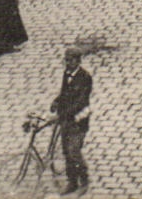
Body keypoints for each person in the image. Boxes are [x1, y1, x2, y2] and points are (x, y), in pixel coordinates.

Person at [51, 46, 92, 194]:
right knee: (66, 151)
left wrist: (64, 114)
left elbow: (81, 102)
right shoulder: (66, 74)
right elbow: (64, 93)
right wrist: (56, 102)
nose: (67, 63)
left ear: (78, 61)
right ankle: (72, 181)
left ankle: (84, 180)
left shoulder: (85, 77)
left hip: (78, 120)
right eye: (66, 60)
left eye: (70, 60)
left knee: (74, 150)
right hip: (66, 120)